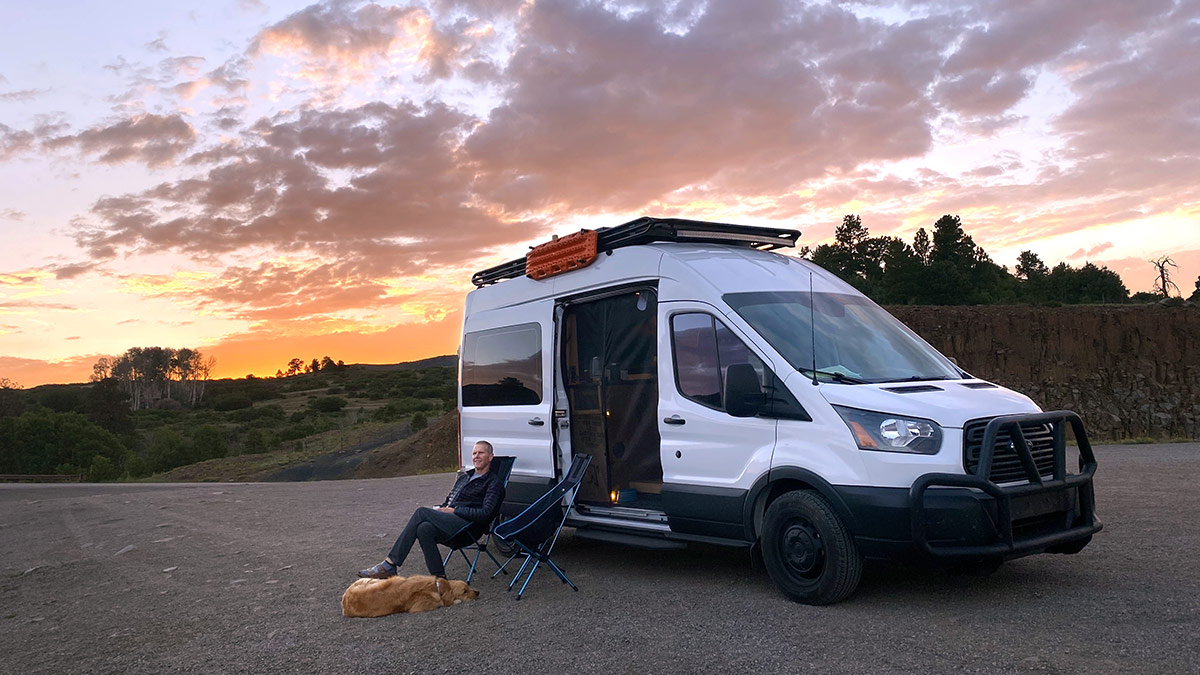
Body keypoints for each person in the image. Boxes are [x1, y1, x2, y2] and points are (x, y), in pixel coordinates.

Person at [358, 440, 505, 580]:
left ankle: (390, 564)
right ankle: (439, 578)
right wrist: (441, 510)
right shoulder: (465, 477)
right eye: (474, 453)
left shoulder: (493, 483)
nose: (476, 456)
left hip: (468, 527)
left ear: (490, 457)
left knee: (421, 512)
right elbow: (449, 500)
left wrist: (454, 511)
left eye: (481, 453)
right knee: (424, 528)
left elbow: (486, 514)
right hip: (451, 521)